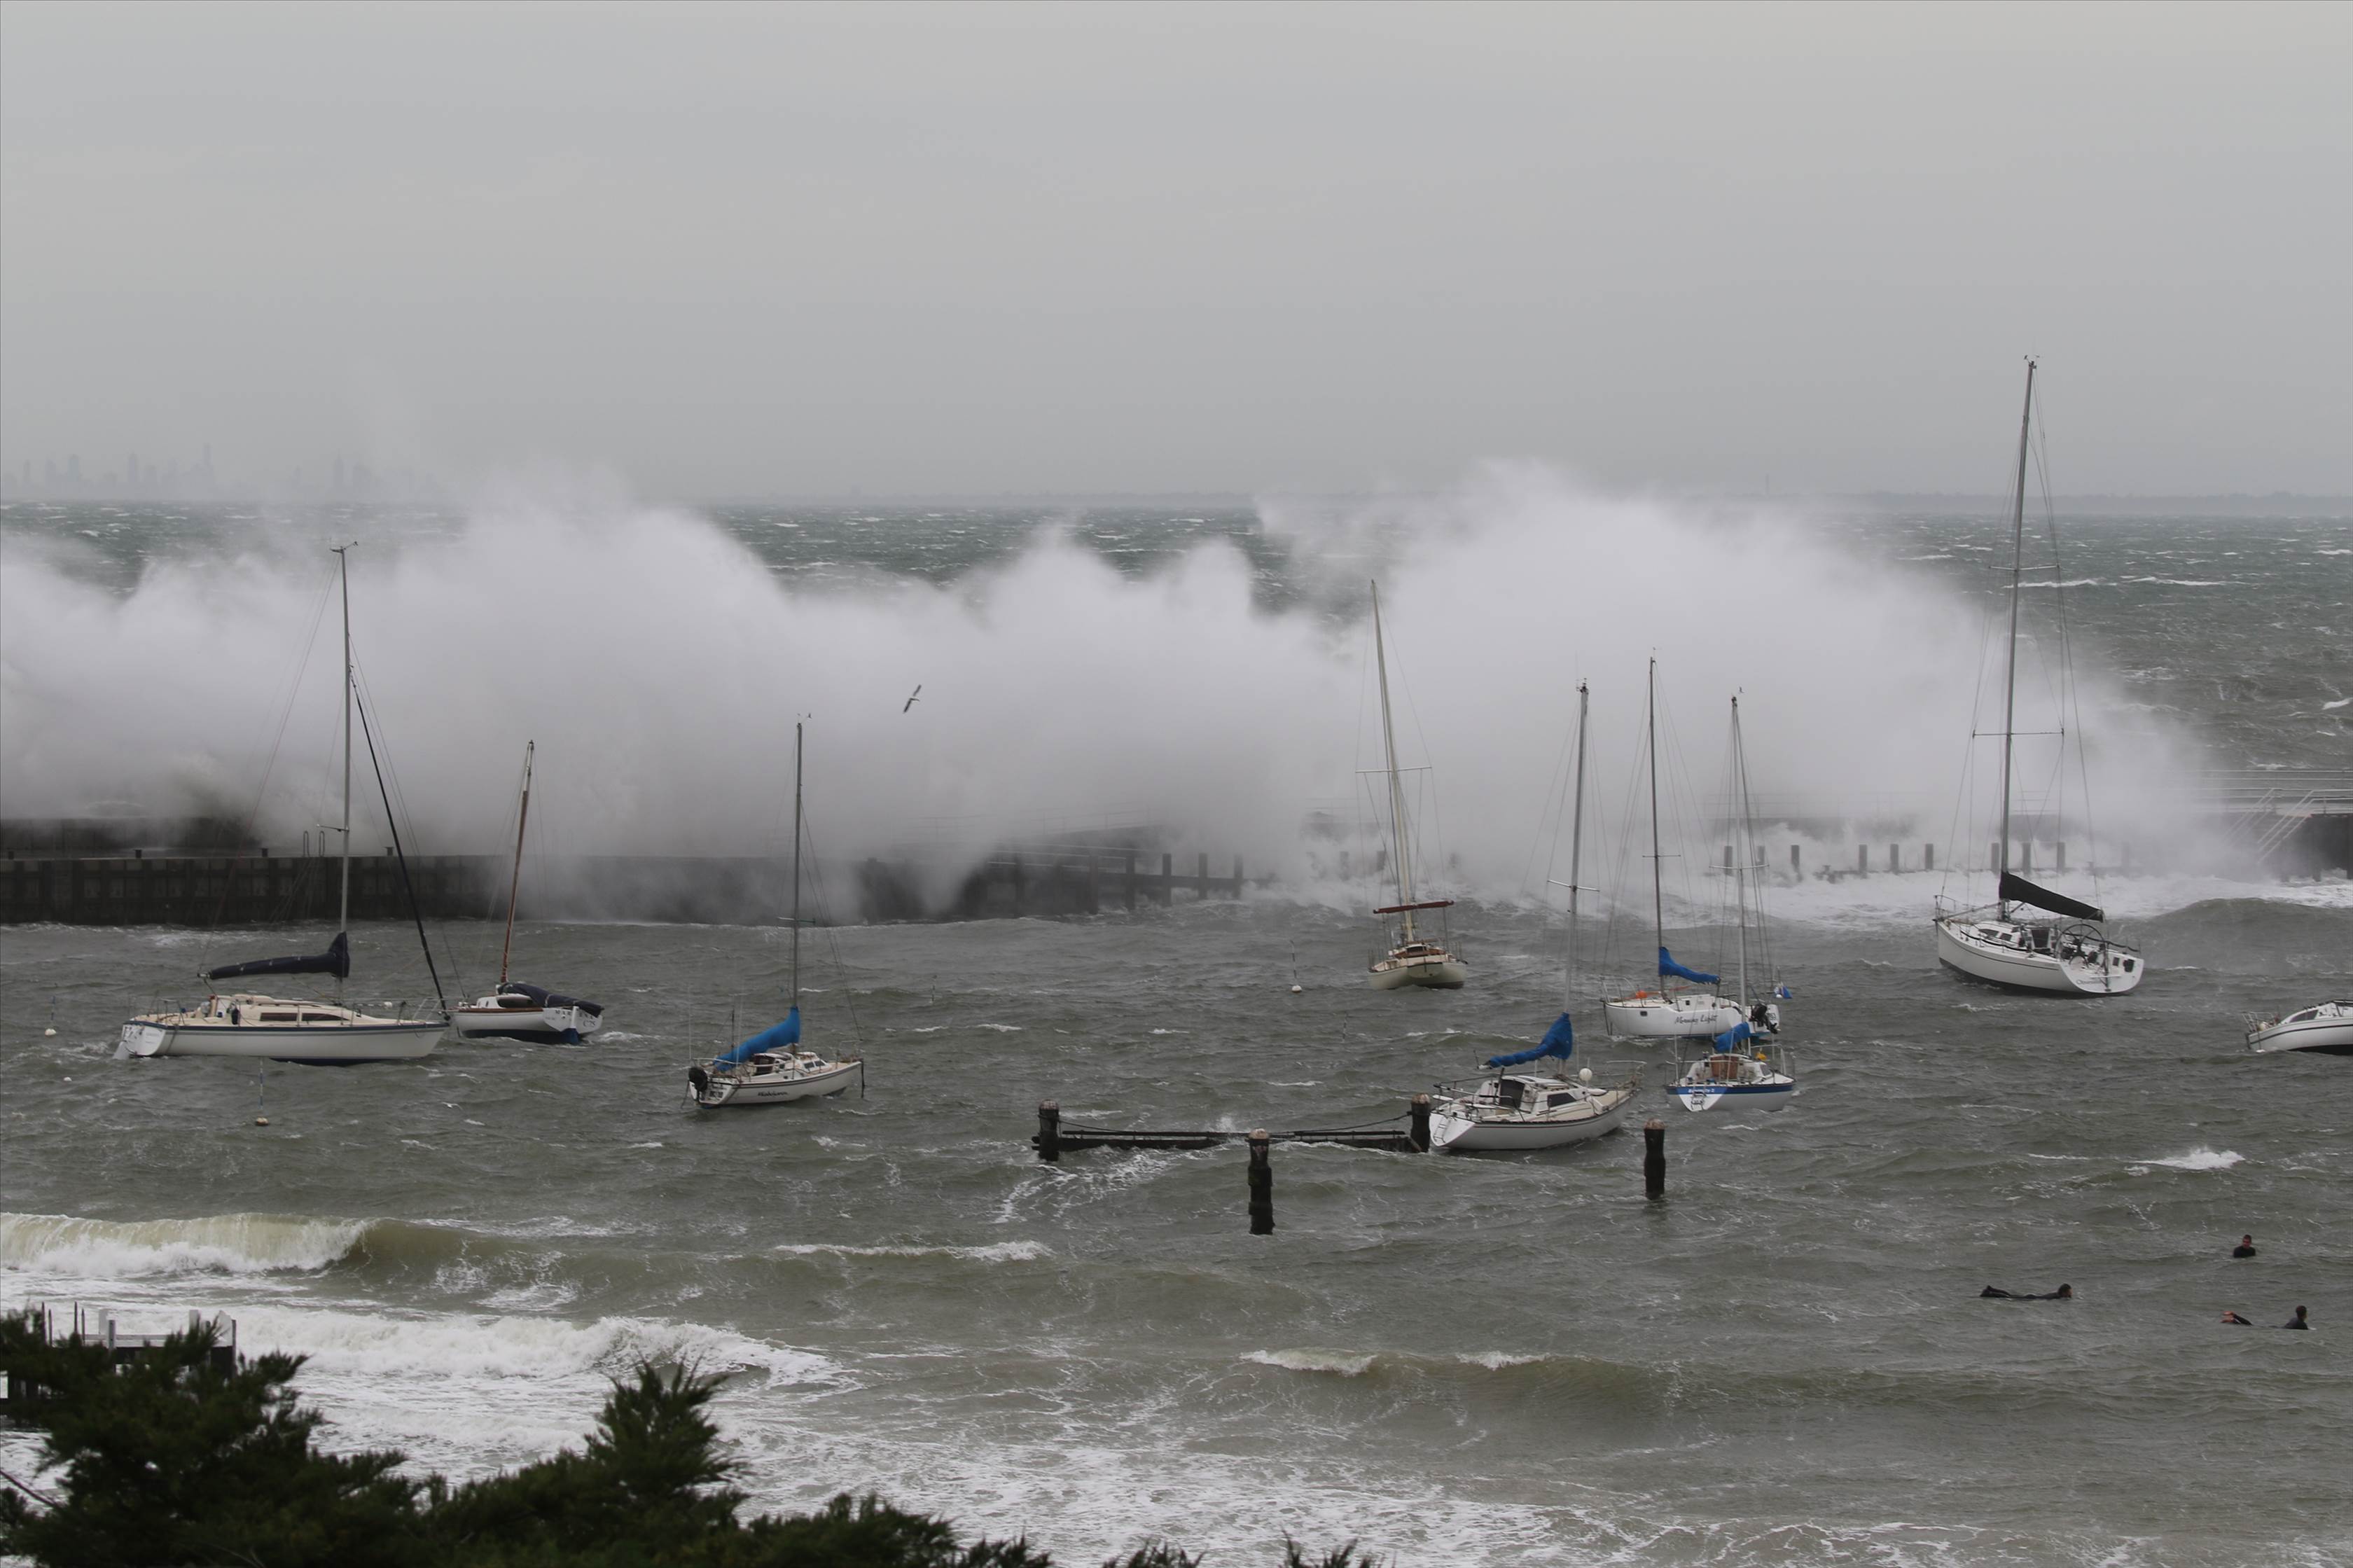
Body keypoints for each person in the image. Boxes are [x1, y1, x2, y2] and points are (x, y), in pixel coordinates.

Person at [1980, 1284, 2072, 1300]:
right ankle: (1989, 1293)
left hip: (2033, 1297)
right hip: (2031, 1299)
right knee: (2009, 1298)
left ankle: (1991, 1289)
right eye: (2069, 1292)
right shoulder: (2058, 1297)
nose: (2071, 1293)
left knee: (2011, 1296)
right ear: (2064, 1292)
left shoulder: (2057, 1293)